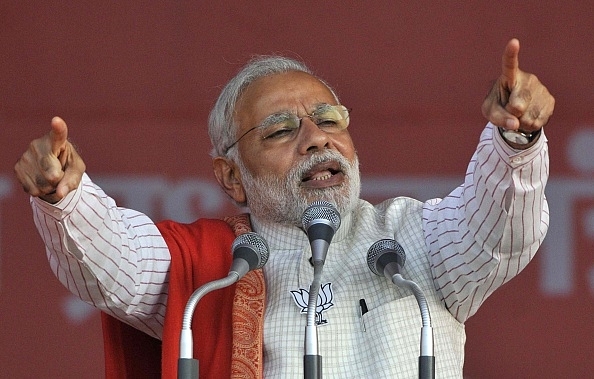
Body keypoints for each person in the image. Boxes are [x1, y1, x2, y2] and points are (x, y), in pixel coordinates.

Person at [15, 38, 554, 378]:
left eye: (329, 119)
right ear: (232, 177)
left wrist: (515, 143)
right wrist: (64, 196)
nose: (316, 139)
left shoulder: (412, 240)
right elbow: (114, 263)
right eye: (280, 129)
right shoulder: (214, 270)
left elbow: (497, 231)